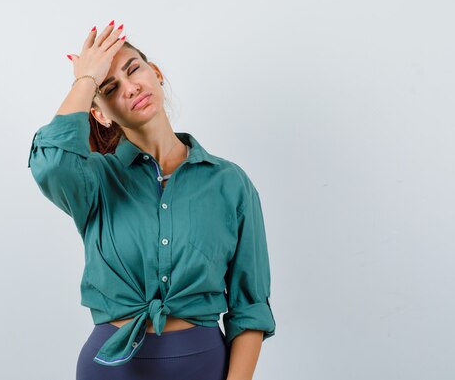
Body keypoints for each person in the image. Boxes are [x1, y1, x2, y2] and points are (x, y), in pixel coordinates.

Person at [27, 20, 276, 380]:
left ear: (155, 73)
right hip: (109, 370)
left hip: (203, 366)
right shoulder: (94, 180)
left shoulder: (230, 183)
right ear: (99, 113)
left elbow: (250, 306)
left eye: (134, 70)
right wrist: (86, 81)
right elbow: (50, 163)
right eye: (110, 88)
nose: (131, 88)